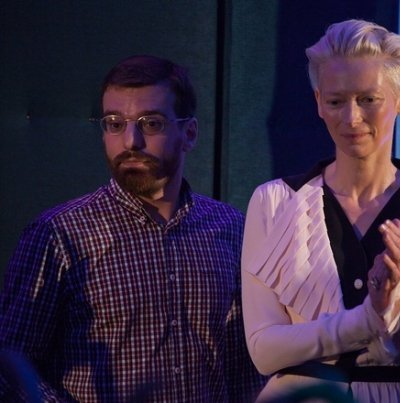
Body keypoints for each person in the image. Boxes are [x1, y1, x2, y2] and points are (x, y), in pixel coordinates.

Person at [0, 55, 265, 402]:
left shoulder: (230, 228)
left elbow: (244, 369)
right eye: (114, 124)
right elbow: (10, 367)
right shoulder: (59, 235)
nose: (130, 141)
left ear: (189, 133)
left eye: (151, 123)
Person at [241, 20, 400, 402]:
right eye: (336, 101)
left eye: (368, 99)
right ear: (319, 102)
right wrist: (366, 319)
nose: (351, 118)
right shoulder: (274, 202)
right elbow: (263, 351)